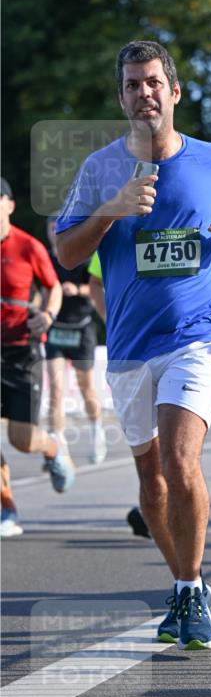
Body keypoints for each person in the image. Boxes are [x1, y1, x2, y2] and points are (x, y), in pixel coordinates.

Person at [55, 40, 211, 649]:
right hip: (129, 344)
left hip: (197, 333)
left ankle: (192, 591)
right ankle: (182, 583)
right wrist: (112, 211)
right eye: (131, 85)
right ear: (122, 98)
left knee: (178, 457)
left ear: (173, 91)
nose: (143, 93)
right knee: (150, 477)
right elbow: (67, 254)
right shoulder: (100, 170)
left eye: (152, 82)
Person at [1, 178, 75, 538]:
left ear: (9, 205)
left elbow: (53, 289)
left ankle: (51, 446)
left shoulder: (28, 246)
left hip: (22, 350)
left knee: (21, 439)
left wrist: (47, 315)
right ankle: (7, 509)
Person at [87, 251, 150, 539]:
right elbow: (94, 282)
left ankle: (159, 509)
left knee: (179, 444)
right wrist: (111, 319)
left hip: (181, 339)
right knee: (149, 446)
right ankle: (152, 508)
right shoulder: (116, 222)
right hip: (130, 345)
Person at [45, 219, 107, 465]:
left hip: (81, 327)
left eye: (56, 227)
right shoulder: (46, 258)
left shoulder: (84, 254)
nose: (53, 232)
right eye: (50, 228)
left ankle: (97, 432)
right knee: (56, 390)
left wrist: (75, 289)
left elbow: (94, 290)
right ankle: (58, 447)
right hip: (56, 329)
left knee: (85, 387)